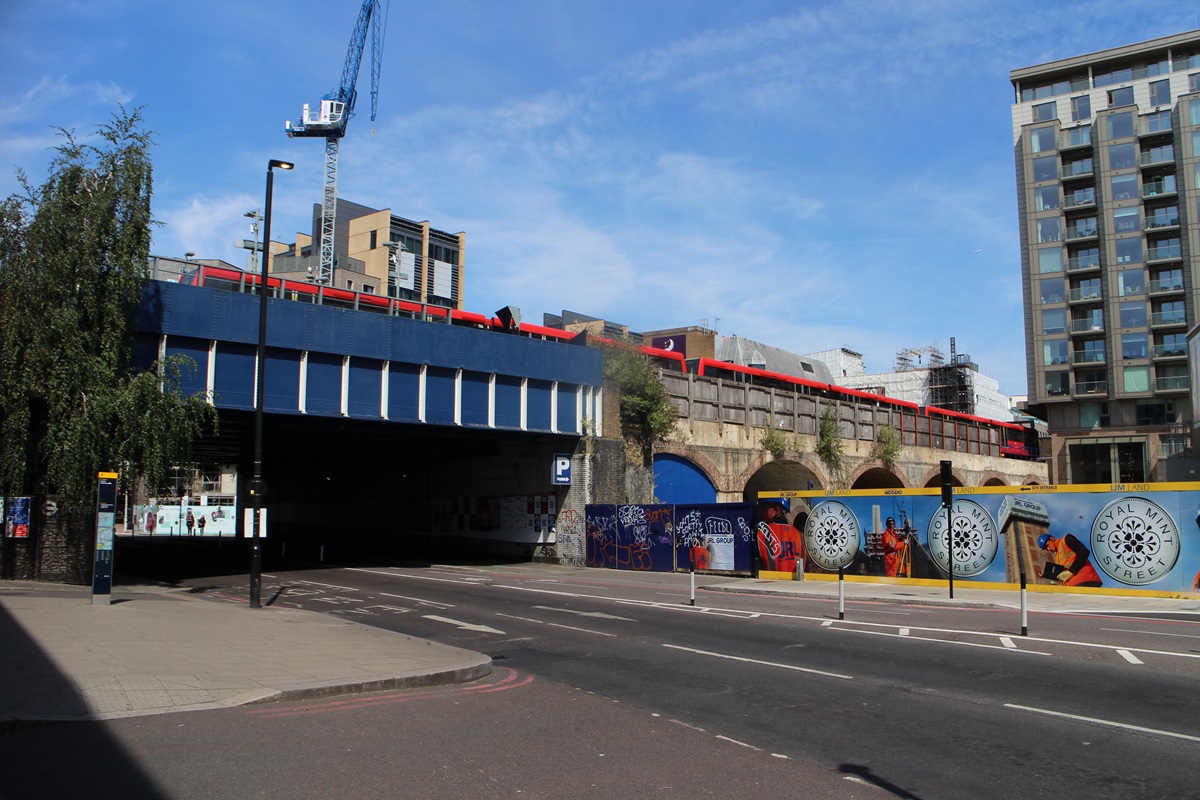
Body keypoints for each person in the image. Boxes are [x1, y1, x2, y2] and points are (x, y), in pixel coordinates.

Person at [1038, 532, 1102, 587]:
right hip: (1072, 586)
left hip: (1085, 580)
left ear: (1052, 538)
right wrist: (1047, 575)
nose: (1048, 549)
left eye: (1047, 545)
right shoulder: (1057, 558)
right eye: (1046, 549)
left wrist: (1071, 572)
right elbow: (1062, 574)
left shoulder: (1066, 540)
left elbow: (1083, 552)